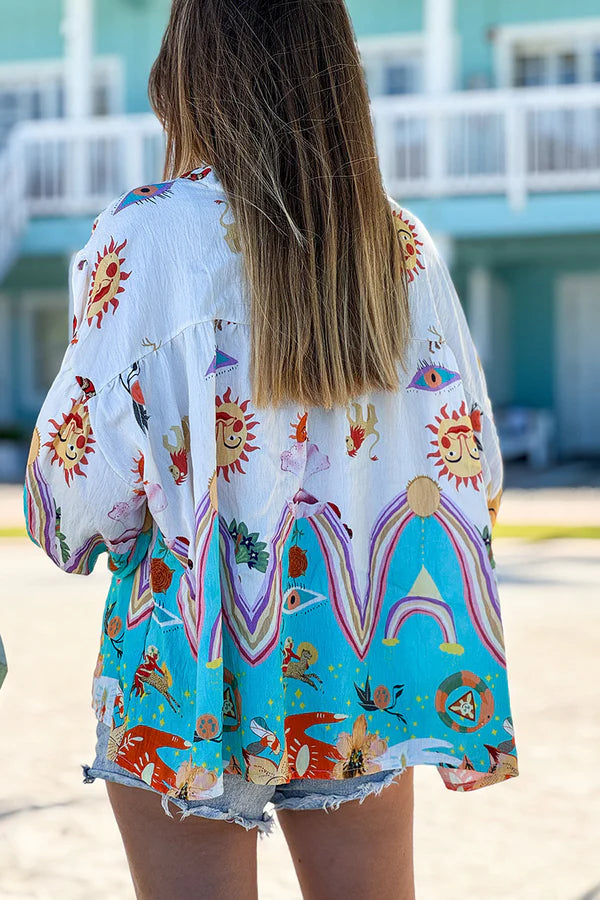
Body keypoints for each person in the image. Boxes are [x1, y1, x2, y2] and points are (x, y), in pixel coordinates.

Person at [23, 1, 519, 897]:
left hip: (188, 663)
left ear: (191, 72)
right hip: (352, 659)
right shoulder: (400, 248)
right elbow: (473, 474)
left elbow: (68, 505)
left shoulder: (144, 237)